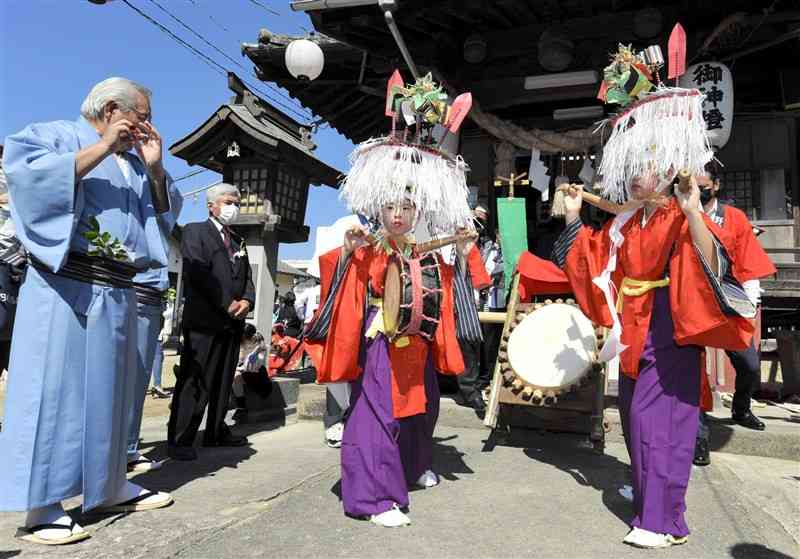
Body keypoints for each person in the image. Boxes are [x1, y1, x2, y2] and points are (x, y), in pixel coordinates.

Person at [552, 45, 755, 549]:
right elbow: (590, 259)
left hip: (669, 324)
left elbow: (713, 259)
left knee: (663, 421)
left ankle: (663, 520)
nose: (637, 175)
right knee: (636, 419)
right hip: (634, 324)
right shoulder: (630, 218)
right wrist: (577, 217)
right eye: (633, 166)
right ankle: (651, 500)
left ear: (666, 167)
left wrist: (690, 213)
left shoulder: (677, 212)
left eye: (648, 164)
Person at [0, 77, 174, 545]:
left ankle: (110, 483)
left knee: (112, 394)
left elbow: (161, 219)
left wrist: (155, 170)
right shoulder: (53, 135)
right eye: (142, 115)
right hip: (65, 282)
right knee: (54, 392)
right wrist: (101, 147)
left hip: (120, 286)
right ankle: (42, 505)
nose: (147, 126)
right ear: (114, 108)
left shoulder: (136, 161)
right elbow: (30, 183)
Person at [304, 72, 476, 528]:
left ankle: (411, 466)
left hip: (415, 337)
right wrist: (349, 251)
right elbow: (344, 278)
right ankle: (374, 496)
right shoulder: (369, 242)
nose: (399, 215)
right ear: (379, 208)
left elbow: (438, 277)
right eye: (391, 208)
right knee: (377, 413)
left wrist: (458, 247)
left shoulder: (415, 247)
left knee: (419, 407)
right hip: (381, 337)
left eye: (407, 208)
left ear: (418, 211)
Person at [692, 168, 776, 466]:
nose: (699, 191)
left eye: (704, 186)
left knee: (749, 364)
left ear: (715, 185)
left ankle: (741, 408)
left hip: (729, 299)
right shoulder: (680, 213)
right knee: (695, 372)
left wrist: (750, 302)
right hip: (694, 301)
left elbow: (748, 259)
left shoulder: (734, 218)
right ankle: (699, 438)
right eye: (694, 185)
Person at [167, 183, 255, 461]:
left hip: (232, 323)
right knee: (196, 380)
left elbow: (248, 279)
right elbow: (198, 271)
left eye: (237, 203)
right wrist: (226, 301)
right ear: (211, 206)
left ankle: (216, 430)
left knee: (223, 379)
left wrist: (247, 301)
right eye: (228, 202)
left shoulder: (238, 240)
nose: (233, 208)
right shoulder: (195, 231)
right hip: (204, 320)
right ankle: (181, 437)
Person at [126, 162, 182, 474]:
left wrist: (156, 170)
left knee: (137, 378)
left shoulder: (148, 173)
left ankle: (128, 448)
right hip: (119, 282)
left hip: (148, 289)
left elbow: (171, 208)